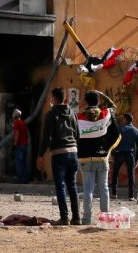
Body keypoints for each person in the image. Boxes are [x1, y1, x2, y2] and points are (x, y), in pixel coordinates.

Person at [37, 87, 80, 226]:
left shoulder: (51, 114)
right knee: (72, 186)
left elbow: (47, 138)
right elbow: (78, 135)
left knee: (60, 186)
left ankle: (64, 217)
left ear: (54, 98)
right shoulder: (73, 113)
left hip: (59, 155)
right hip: (73, 153)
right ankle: (77, 218)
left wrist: (40, 155)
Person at [77, 90, 120, 225]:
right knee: (104, 188)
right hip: (102, 158)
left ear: (86, 102)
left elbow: (75, 136)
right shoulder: (106, 114)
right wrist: (107, 149)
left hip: (85, 159)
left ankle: (86, 219)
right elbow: (115, 132)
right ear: (98, 101)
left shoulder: (79, 117)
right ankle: (105, 219)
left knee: (88, 189)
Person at [111, 112, 138, 201]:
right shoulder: (137, 131)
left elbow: (114, 143)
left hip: (119, 153)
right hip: (130, 154)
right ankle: (131, 196)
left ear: (125, 119)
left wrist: (113, 154)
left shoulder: (119, 129)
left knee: (115, 173)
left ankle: (114, 193)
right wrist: (136, 159)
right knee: (131, 175)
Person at [12, 109, 30, 184]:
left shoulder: (16, 123)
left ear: (14, 116)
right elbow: (27, 134)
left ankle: (21, 179)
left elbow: (17, 134)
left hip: (20, 145)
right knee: (23, 163)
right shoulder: (23, 123)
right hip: (25, 145)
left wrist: (14, 145)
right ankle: (25, 179)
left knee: (19, 163)